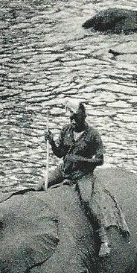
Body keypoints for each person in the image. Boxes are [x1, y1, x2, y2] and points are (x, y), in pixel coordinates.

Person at [45, 103, 112, 257]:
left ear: (84, 116)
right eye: (71, 117)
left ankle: (103, 240)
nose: (72, 120)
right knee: (42, 185)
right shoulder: (66, 130)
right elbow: (60, 153)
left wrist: (81, 160)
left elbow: (100, 160)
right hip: (65, 170)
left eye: (75, 117)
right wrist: (52, 142)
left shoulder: (93, 135)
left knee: (87, 201)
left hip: (82, 174)